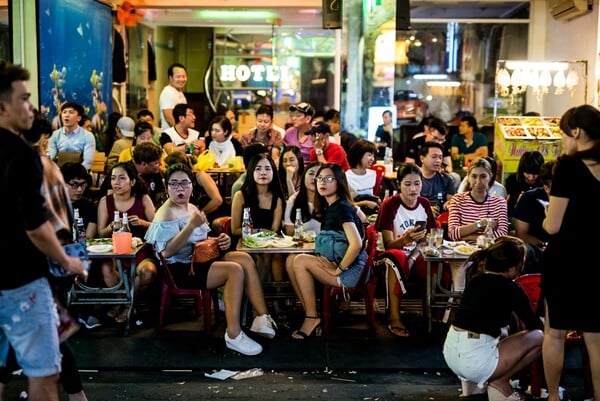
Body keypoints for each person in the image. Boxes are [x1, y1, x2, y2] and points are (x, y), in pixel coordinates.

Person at [0, 59, 86, 401]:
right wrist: (67, 261)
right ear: (3, 106)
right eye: (24, 98)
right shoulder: (24, 157)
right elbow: (36, 224)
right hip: (22, 279)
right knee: (45, 373)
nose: (30, 106)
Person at [145, 163, 276, 356]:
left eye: (184, 183)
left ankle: (261, 318)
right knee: (234, 269)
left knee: (244, 258)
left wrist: (220, 240)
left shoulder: (191, 207)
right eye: (174, 184)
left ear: (192, 185)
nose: (180, 189)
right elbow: (165, 253)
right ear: (166, 187)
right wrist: (189, 227)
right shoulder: (166, 212)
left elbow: (200, 241)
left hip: (198, 260)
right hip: (180, 270)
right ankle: (233, 334)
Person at [541, 105, 600, 401]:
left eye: (564, 134)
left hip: (566, 260)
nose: (563, 140)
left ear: (576, 131)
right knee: (597, 340)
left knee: (555, 333)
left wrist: (543, 218)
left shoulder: (567, 166)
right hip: (598, 261)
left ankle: (553, 396)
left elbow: (552, 226)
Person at [443, 236, 544, 401]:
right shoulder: (512, 288)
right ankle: (501, 382)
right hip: (476, 361)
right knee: (540, 337)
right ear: (512, 268)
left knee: (503, 333)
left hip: (451, 353)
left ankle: (474, 386)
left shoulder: (475, 280)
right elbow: (533, 324)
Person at [286, 163, 368, 339]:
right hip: (342, 266)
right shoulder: (331, 206)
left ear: (339, 182)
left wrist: (338, 269)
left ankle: (311, 317)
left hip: (351, 273)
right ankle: (314, 312)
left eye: (329, 179)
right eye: (320, 179)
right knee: (291, 260)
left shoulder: (342, 207)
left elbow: (356, 244)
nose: (323, 182)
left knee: (299, 261)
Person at [375, 163, 436, 337]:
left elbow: (430, 238)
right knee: (397, 256)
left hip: (415, 253)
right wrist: (406, 239)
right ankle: (394, 316)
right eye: (407, 184)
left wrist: (418, 246)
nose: (413, 189)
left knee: (429, 260)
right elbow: (388, 244)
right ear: (399, 184)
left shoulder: (424, 204)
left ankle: (432, 315)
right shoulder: (390, 205)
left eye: (417, 183)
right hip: (388, 256)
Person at [96, 161, 157, 323]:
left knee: (148, 272)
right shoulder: (105, 201)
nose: (116, 183)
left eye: (122, 178)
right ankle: (123, 303)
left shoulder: (143, 199)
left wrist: (143, 223)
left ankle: (127, 305)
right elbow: (100, 232)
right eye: (114, 178)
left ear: (132, 181)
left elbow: (158, 227)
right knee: (106, 269)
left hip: (140, 251)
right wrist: (111, 227)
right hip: (114, 251)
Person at [447, 157, 509, 292]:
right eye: (474, 176)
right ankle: (460, 307)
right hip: (462, 253)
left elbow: (502, 234)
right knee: (460, 274)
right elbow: (453, 233)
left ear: (490, 176)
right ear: (468, 177)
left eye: (483, 176)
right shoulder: (458, 200)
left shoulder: (499, 202)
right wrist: (482, 223)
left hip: (490, 253)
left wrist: (472, 237)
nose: (478, 182)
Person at [231, 154, 285, 281]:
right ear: (251, 171)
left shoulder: (277, 198)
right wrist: (259, 231)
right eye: (258, 168)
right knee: (262, 256)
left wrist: (265, 236)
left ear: (273, 172)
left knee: (274, 255)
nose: (263, 173)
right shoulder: (241, 195)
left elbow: (274, 230)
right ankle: (258, 297)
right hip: (244, 242)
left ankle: (277, 297)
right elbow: (235, 229)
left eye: (267, 169)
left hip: (269, 243)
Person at [513, 160, 555, 274]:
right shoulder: (529, 198)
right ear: (546, 188)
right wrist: (544, 245)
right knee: (527, 251)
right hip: (536, 248)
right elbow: (521, 234)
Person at [164, 151, 225, 222]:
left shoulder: (200, 176)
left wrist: (198, 214)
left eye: (166, 167)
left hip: (213, 216)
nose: (164, 170)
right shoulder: (176, 183)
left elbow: (217, 200)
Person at [47, 101, 97, 170]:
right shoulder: (54, 135)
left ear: (79, 118)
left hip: (80, 174)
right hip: (59, 173)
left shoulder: (88, 136)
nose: (66, 115)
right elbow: (50, 157)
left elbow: (88, 162)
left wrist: (75, 174)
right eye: (64, 112)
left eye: (71, 112)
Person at [283, 161, 322, 236]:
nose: (314, 178)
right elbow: (289, 231)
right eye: (311, 173)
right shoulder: (293, 200)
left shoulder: (330, 199)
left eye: (319, 175)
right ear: (304, 176)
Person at [418, 142, 457, 217]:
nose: (438, 161)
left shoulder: (447, 180)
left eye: (440, 157)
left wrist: (448, 205)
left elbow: (451, 203)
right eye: (434, 157)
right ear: (422, 158)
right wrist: (426, 210)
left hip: (439, 219)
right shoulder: (414, 179)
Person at [345, 139, 380, 216]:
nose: (372, 159)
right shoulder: (346, 177)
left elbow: (369, 195)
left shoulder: (372, 174)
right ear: (359, 154)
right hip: (353, 215)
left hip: (371, 214)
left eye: (373, 155)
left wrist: (376, 199)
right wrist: (365, 203)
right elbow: (345, 203)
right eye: (370, 155)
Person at [504, 151, 545, 217]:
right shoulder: (512, 181)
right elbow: (507, 207)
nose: (531, 178)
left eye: (535, 173)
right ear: (522, 170)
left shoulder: (545, 183)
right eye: (528, 173)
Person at [131, 142, 168, 208]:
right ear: (144, 164)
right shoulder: (125, 174)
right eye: (156, 163)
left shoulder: (156, 173)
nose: (160, 165)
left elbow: (160, 196)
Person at [159, 62, 188, 130]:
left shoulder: (179, 92)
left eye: (183, 76)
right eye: (178, 77)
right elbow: (169, 118)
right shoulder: (168, 92)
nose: (181, 79)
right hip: (172, 136)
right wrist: (180, 132)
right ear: (170, 77)